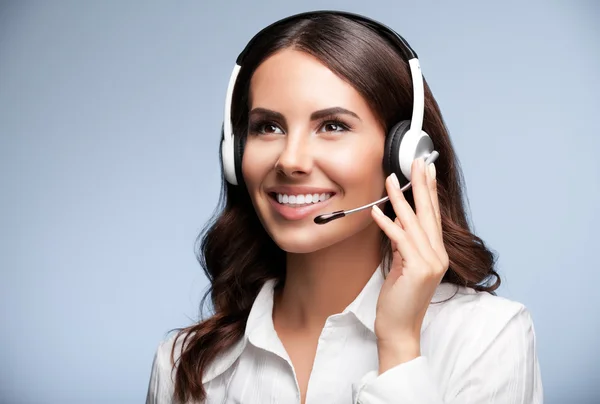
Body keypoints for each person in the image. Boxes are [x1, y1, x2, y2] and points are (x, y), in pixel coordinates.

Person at [145, 10, 543, 404]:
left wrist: (400, 347)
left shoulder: (487, 337)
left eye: (332, 126)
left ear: (404, 154)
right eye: (268, 126)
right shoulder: (185, 364)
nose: (290, 160)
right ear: (235, 153)